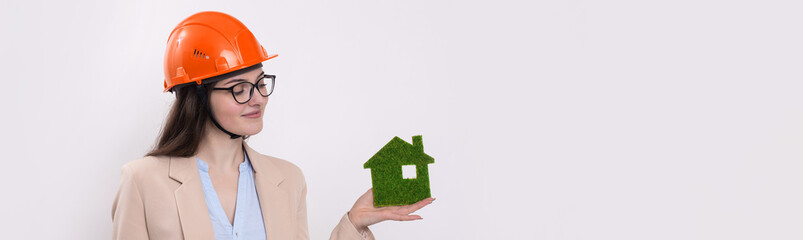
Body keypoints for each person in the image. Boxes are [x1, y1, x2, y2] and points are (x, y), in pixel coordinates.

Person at [111, 11, 434, 240]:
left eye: (261, 83)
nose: (258, 98)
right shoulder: (143, 181)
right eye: (239, 89)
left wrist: (353, 224)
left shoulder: (288, 180)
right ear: (197, 96)